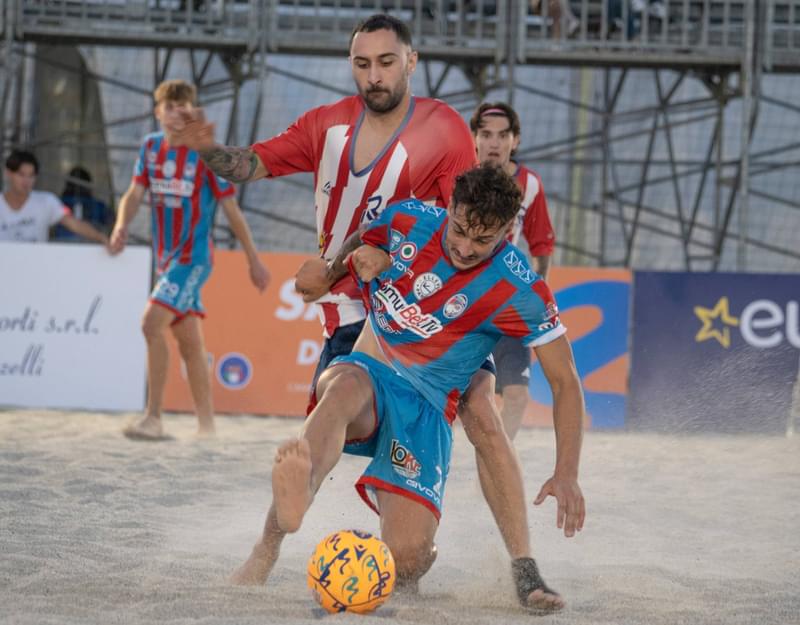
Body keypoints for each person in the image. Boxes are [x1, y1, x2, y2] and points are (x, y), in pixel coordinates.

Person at [169, 14, 547, 607]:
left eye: (386, 62)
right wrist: (206, 149)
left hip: (429, 309)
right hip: (351, 309)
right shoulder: (326, 125)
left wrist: (464, 296)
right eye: (363, 64)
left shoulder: (444, 128)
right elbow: (252, 165)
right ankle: (267, 547)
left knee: (480, 412)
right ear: (353, 66)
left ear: (411, 61)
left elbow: (465, 222)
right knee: (333, 410)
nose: (375, 76)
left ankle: (519, 569)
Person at [231, 165, 585, 611]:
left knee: (409, 557)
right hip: (373, 370)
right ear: (449, 208)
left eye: (483, 240)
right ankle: (273, 536)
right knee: (339, 389)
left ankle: (419, 551)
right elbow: (364, 238)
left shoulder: (520, 288)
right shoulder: (408, 220)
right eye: (459, 230)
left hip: (428, 407)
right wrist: (332, 272)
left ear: (507, 231)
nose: (464, 247)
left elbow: (566, 381)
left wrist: (567, 471)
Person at [109, 79, 270, 440]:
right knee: (190, 344)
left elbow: (232, 210)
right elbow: (134, 194)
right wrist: (121, 225)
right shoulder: (150, 147)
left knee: (151, 324)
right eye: (168, 105)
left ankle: (153, 418)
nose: (175, 112)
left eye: (183, 106)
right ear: (158, 111)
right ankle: (208, 427)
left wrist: (253, 260)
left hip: (194, 259)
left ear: (193, 112)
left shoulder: (205, 153)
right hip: (167, 260)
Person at [470, 102, 556, 439]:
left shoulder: (529, 185)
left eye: (502, 135)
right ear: (474, 139)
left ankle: (495, 469)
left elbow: (542, 244)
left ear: (515, 140)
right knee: (451, 394)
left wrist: (538, 297)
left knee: (517, 397)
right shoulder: (458, 176)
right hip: (459, 300)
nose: (494, 143)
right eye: (486, 134)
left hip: (507, 302)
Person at [0, 150, 109, 246]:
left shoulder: (47, 201)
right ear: (8, 173)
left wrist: (102, 238)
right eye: (21, 174)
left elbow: (74, 224)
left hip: (36, 266)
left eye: (31, 175)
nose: (26, 181)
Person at [53, 166, 114, 242]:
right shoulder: (58, 204)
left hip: (62, 245)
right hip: (91, 245)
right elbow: (112, 221)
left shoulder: (58, 203)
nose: (78, 188)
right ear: (88, 185)